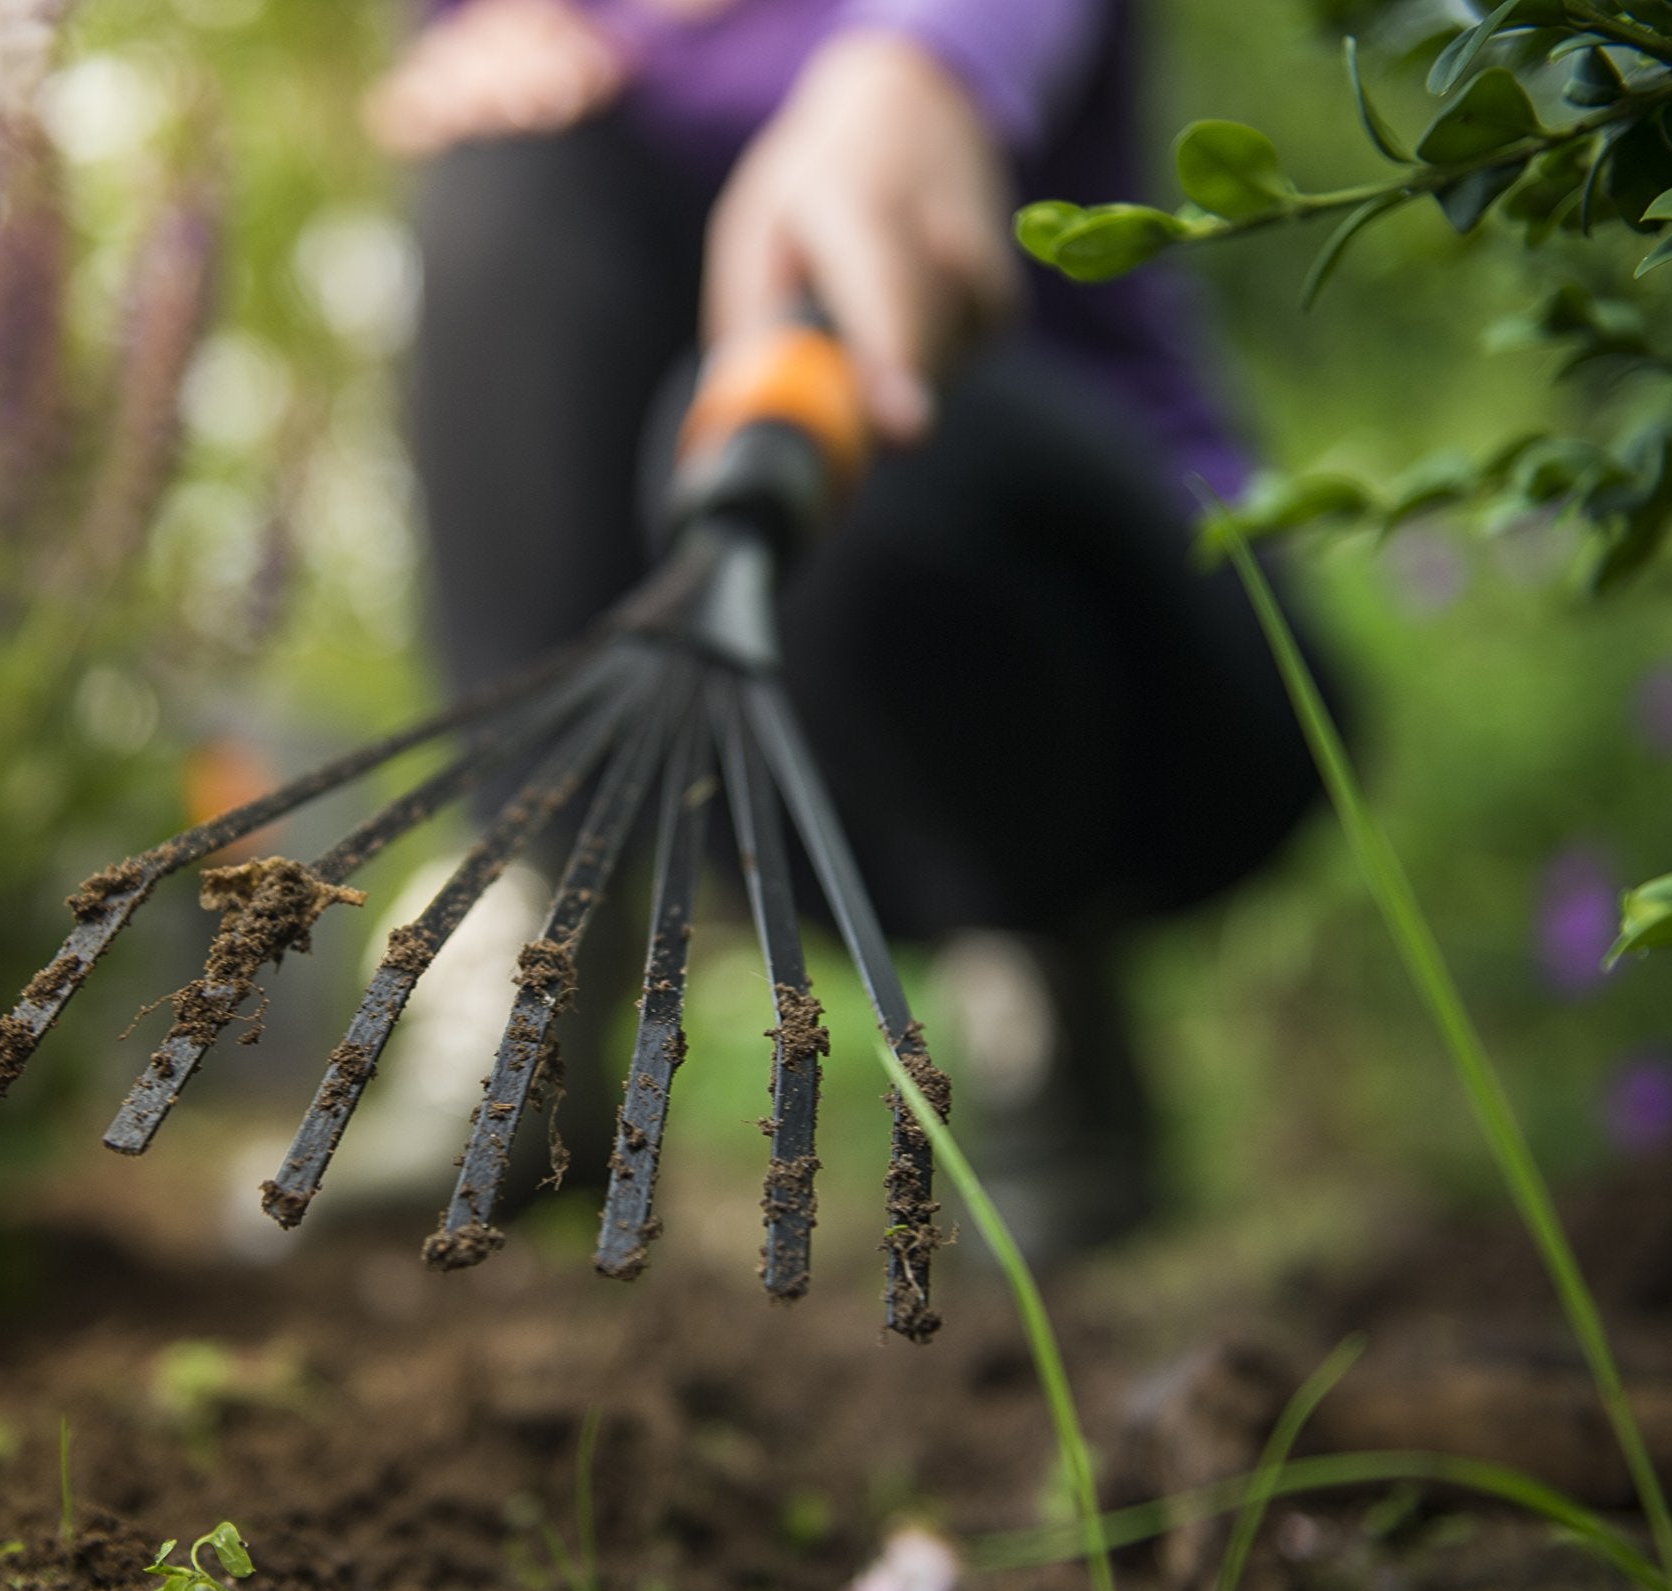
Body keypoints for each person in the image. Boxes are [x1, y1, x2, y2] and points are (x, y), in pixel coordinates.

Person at [363, 0, 1331, 1261]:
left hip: (1145, 664)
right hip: (747, 705)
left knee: (844, 397)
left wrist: (918, 74)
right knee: (508, 188)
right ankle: (535, 964)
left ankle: (1034, 1000)